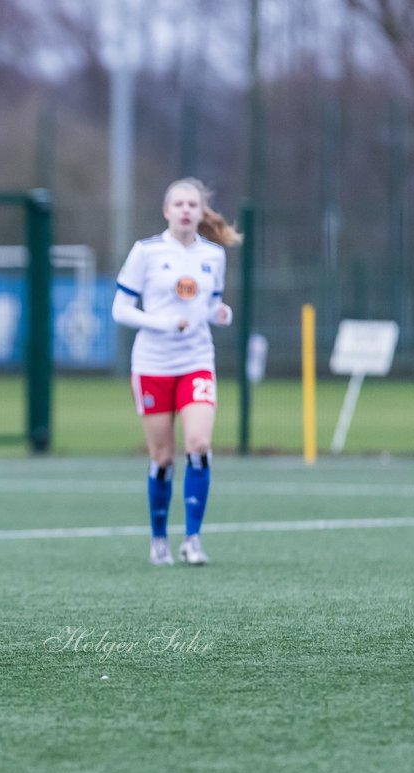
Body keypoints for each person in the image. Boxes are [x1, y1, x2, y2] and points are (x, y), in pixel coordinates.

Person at [112, 178, 241, 566]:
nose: (186, 210)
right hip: (152, 364)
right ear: (167, 211)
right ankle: (158, 540)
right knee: (163, 456)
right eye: (179, 204)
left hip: (196, 361)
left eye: (192, 204)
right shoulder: (146, 252)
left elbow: (212, 307)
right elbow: (120, 309)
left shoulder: (214, 256)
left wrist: (222, 314)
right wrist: (161, 323)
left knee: (199, 444)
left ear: (202, 213)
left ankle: (193, 539)